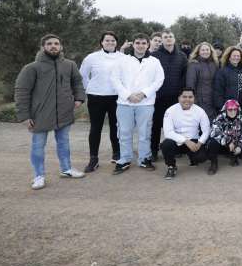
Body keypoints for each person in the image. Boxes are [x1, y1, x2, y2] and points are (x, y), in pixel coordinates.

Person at [15, 34, 86, 189]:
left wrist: (79, 98)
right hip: (39, 114)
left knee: (64, 142)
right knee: (38, 146)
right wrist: (24, 116)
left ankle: (66, 169)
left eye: (56, 43)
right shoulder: (31, 68)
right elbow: (21, 92)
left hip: (64, 112)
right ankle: (39, 176)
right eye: (49, 44)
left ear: (61, 47)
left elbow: (77, 83)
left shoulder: (70, 65)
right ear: (43, 47)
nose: (53, 46)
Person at [110, 33, 165, 173]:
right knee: (124, 132)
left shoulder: (154, 61)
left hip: (145, 103)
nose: (141, 46)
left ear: (148, 45)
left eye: (143, 43)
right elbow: (115, 79)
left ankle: (144, 159)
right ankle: (124, 159)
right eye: (138, 43)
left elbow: (159, 80)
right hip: (125, 103)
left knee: (145, 133)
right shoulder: (122, 60)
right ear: (133, 44)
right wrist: (128, 95)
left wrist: (144, 93)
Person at [79, 31, 126, 172]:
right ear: (101, 42)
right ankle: (93, 159)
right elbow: (83, 76)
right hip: (96, 97)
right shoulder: (91, 58)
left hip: (116, 97)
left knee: (116, 127)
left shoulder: (123, 58)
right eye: (107, 40)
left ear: (116, 43)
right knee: (95, 128)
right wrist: (91, 88)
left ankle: (117, 154)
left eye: (113, 40)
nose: (110, 43)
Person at [151, 30, 188, 161]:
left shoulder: (182, 56)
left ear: (174, 39)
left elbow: (184, 76)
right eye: (165, 37)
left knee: (175, 125)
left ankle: (175, 149)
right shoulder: (154, 56)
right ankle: (154, 151)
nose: (168, 39)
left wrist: (182, 94)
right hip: (158, 97)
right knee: (156, 125)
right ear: (162, 40)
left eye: (170, 36)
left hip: (175, 97)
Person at [160, 88, 211, 180]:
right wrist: (185, 141)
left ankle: (192, 158)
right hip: (177, 142)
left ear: (194, 98)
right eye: (184, 97)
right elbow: (168, 132)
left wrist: (199, 143)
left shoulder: (200, 111)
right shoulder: (170, 111)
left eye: (190, 97)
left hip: (194, 141)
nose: (187, 99)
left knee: (202, 158)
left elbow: (206, 130)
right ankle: (171, 166)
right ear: (179, 98)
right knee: (166, 144)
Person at [206, 99, 242, 174]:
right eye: (230, 109)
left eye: (235, 109)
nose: (233, 111)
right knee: (213, 143)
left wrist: (239, 146)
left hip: (235, 144)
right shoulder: (219, 118)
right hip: (224, 144)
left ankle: (234, 156)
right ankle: (213, 163)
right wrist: (228, 142)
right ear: (226, 109)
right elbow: (214, 132)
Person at [213, 47, 242, 119]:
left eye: (238, 56)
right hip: (230, 107)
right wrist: (222, 108)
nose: (236, 58)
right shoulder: (222, 72)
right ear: (229, 57)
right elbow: (218, 91)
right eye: (234, 56)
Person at [185, 42, 219, 121]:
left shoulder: (215, 64)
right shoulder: (194, 65)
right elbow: (190, 84)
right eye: (203, 50)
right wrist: (192, 100)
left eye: (207, 50)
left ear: (211, 51)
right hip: (200, 100)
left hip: (213, 100)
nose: (205, 52)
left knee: (212, 123)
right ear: (198, 52)